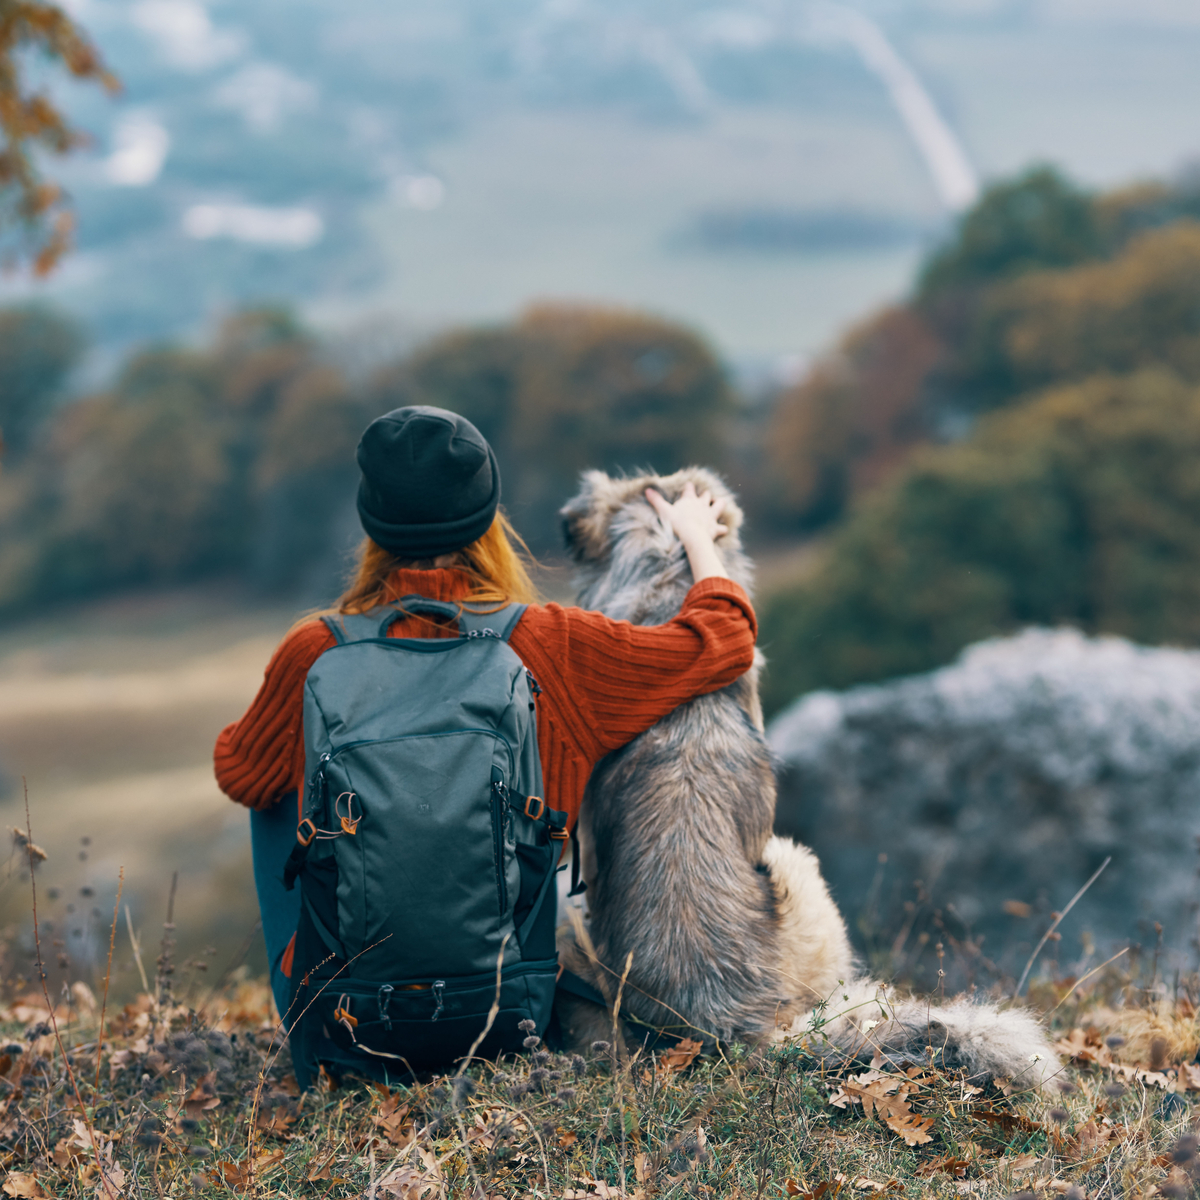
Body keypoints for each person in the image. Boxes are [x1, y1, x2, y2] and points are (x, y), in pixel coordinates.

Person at [214, 405, 757, 1022]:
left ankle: (308, 996)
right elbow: (725, 640)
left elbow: (239, 773)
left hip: (350, 1020)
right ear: (488, 518)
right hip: (506, 1004)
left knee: (273, 792)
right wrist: (694, 537)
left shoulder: (314, 652)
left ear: (372, 523)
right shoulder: (554, 646)